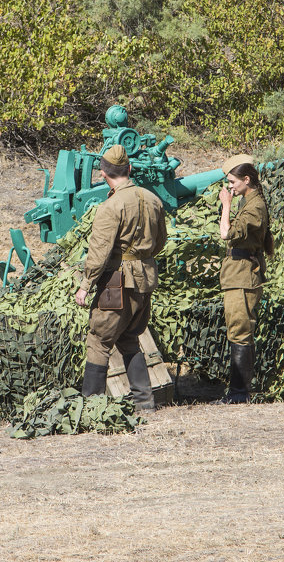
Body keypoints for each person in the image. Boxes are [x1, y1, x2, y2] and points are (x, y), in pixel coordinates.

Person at [74, 145, 168, 410]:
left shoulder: (110, 206)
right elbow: (161, 241)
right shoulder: (153, 199)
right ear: (129, 169)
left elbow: (98, 253)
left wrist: (85, 285)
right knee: (128, 336)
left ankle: (91, 407)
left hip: (116, 282)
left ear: (104, 174)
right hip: (145, 279)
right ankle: (144, 402)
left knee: (99, 339)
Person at [217, 154, 273, 403]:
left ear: (246, 180)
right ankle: (238, 393)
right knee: (237, 331)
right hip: (237, 275)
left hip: (243, 277)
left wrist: (225, 205)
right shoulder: (249, 202)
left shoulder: (254, 206)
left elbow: (226, 233)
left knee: (240, 333)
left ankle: (239, 394)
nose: (229, 186)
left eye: (232, 181)